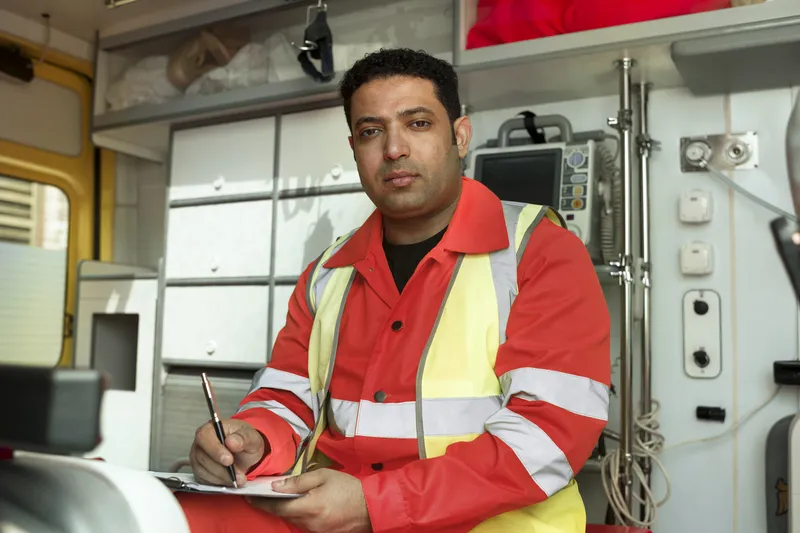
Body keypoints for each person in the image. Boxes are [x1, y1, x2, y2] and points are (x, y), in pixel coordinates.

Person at [177, 47, 611, 533]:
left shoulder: (542, 253)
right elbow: (287, 396)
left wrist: (378, 503)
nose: (394, 149)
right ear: (355, 149)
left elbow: (549, 434)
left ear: (460, 136)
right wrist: (253, 441)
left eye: (418, 123)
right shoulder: (327, 272)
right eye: (371, 131)